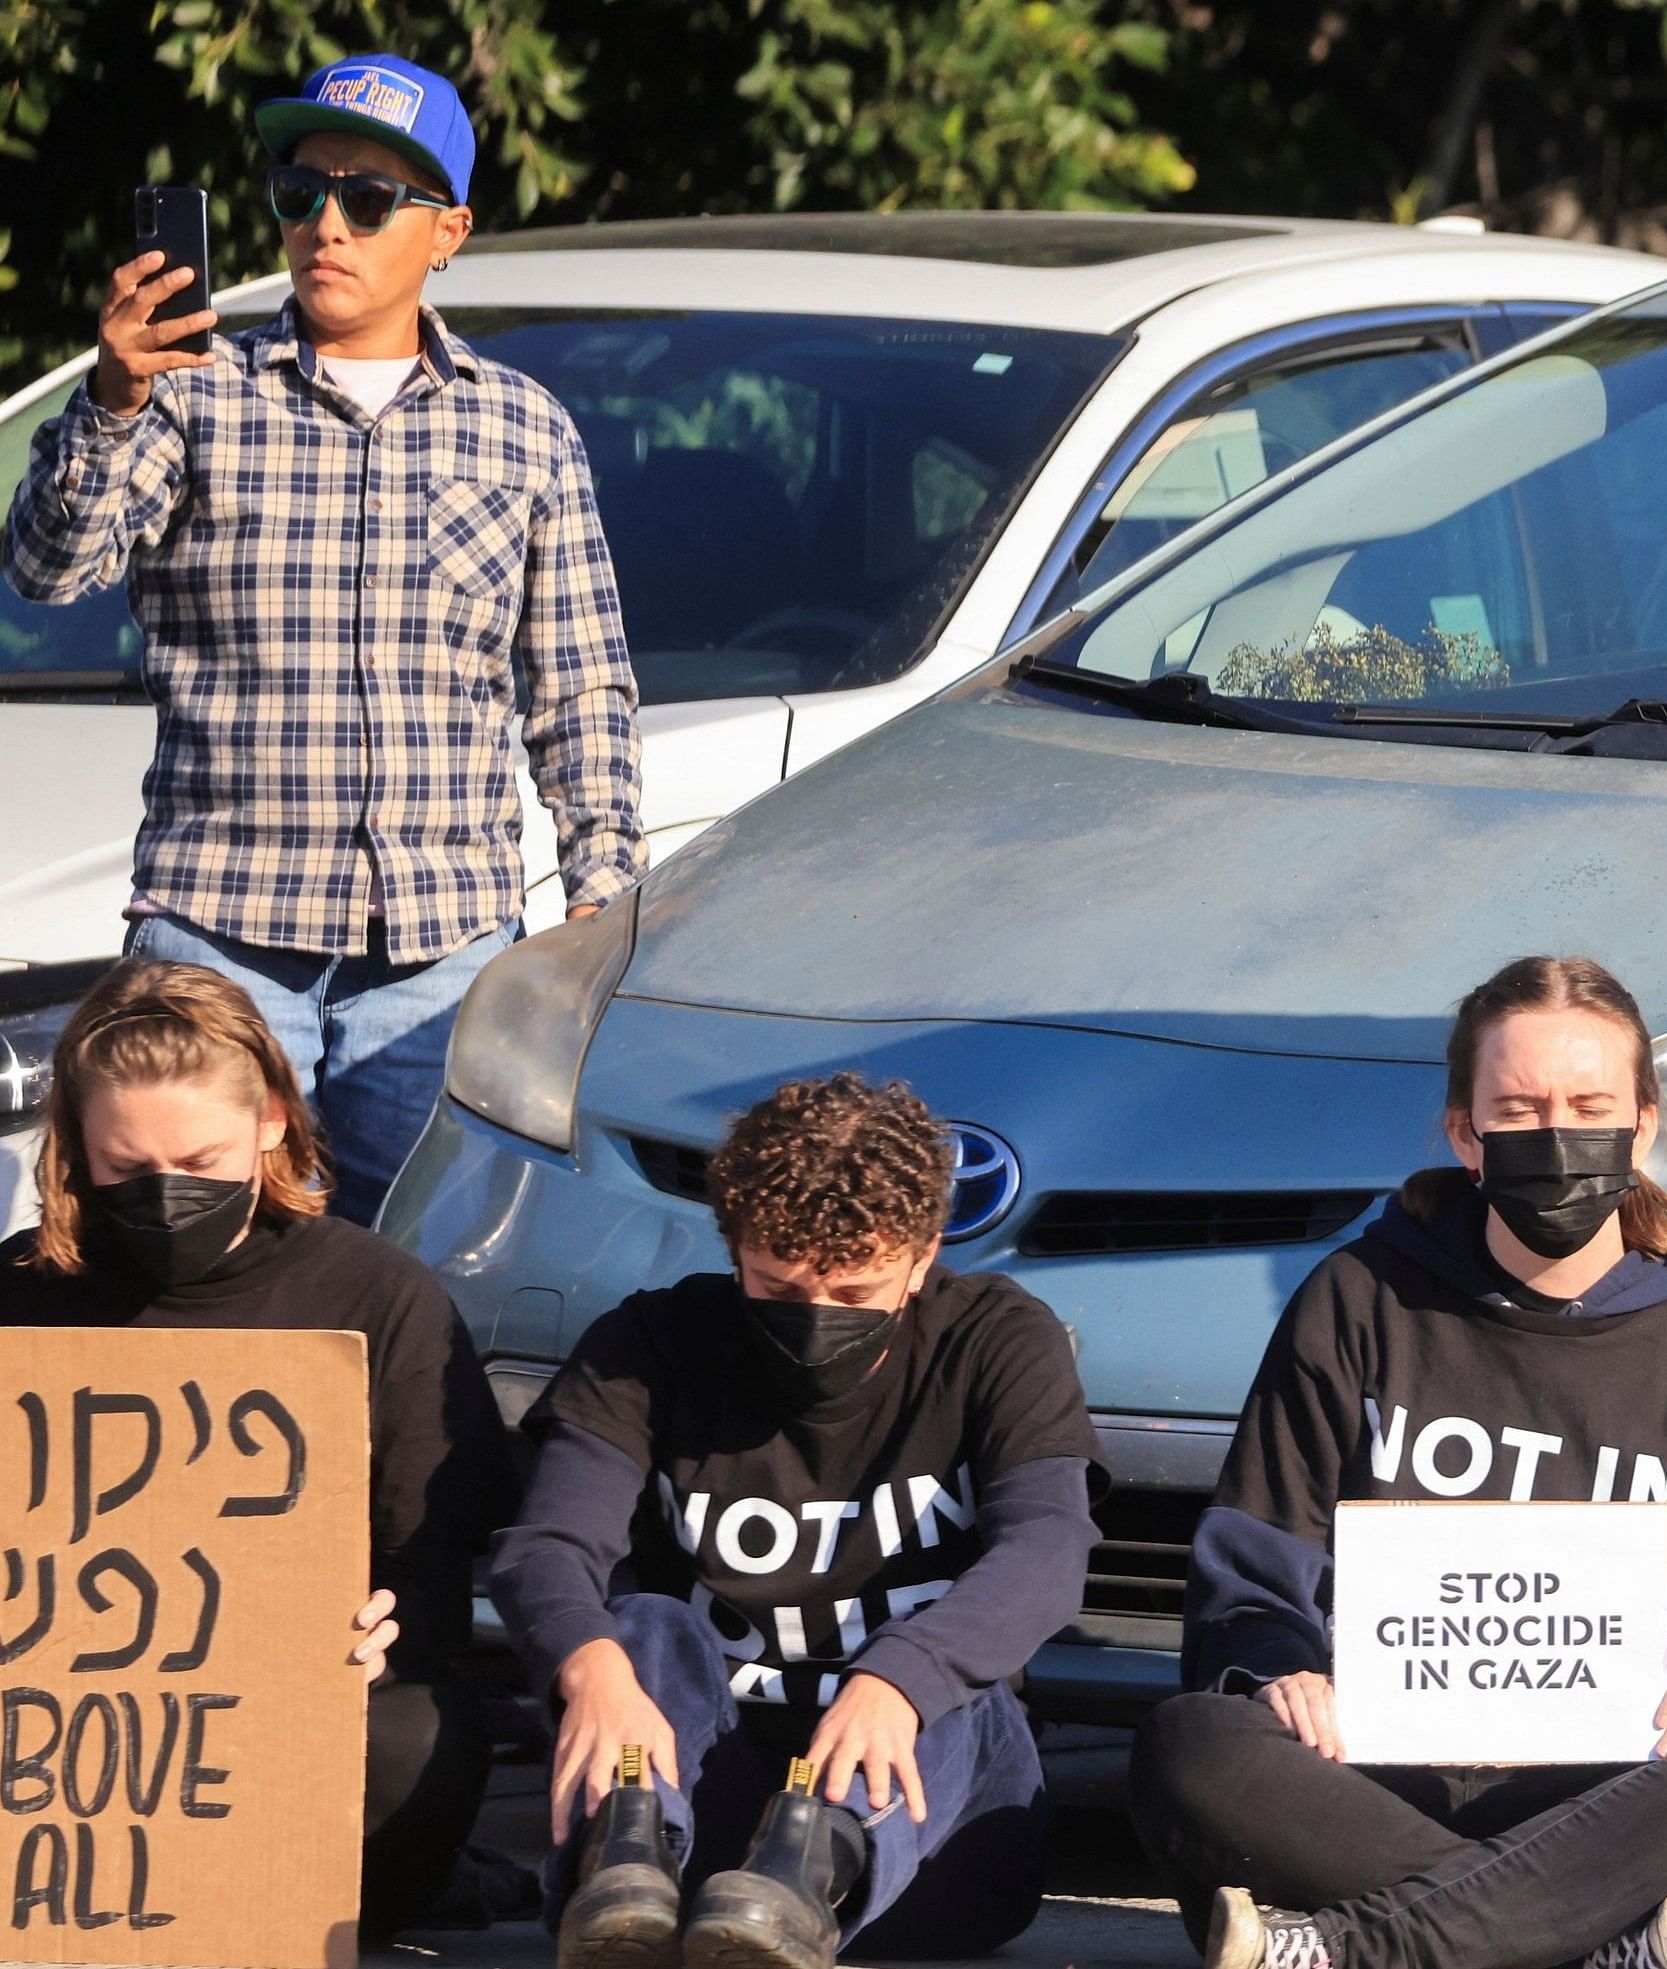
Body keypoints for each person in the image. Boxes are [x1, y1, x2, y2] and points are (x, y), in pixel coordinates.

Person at [3, 50, 642, 1225]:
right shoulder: (192, 395)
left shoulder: (524, 430)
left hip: (446, 958)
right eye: (300, 194)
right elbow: (49, 568)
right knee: (196, 1274)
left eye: (366, 199)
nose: (324, 227)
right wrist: (109, 399)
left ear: (446, 231)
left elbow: (582, 688)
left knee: (418, 1287)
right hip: (218, 947)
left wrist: (602, 906)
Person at [1130, 955, 1667, 1969]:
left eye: (1588, 1104)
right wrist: (1281, 1664)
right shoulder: (1357, 1299)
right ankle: (1592, 1943)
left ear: (1643, 1124)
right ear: (1464, 1132)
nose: (1556, 1135)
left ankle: (1347, 1948)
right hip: (1368, 1766)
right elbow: (1253, 1560)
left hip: (1606, 1781)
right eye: (1518, 1107)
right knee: (1186, 1746)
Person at [490, 1073, 1101, 1969]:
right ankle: (623, 1869)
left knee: (959, 1684)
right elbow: (549, 1543)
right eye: (777, 1286)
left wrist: (902, 1678)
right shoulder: (652, 1341)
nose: (816, 1319)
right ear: (733, 1248)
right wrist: (588, 1668)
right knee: (641, 1625)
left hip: (922, 1826)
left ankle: (802, 1885)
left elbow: (1048, 1548)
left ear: (925, 1255)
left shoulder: (997, 1338)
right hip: (700, 1796)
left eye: (855, 1295)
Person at [0, 958, 516, 1938]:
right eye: (126, 1169)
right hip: (47, 1710)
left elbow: (427, 1560)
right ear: (73, 1147)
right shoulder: (17, 1293)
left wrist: (384, 1622)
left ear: (273, 1119)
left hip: (294, 1692)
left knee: (414, 1738)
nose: (165, 1197)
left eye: (200, 1165)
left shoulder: (379, 1298)